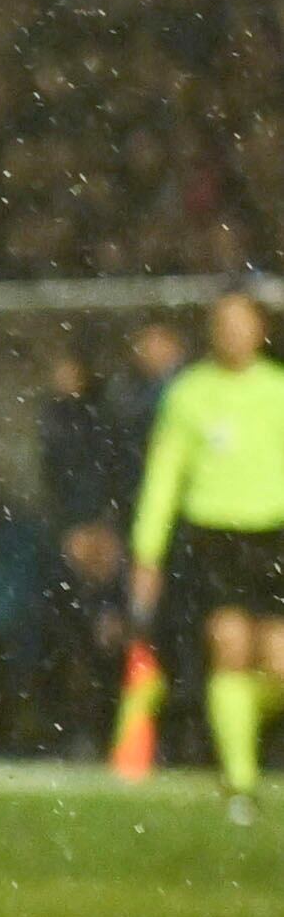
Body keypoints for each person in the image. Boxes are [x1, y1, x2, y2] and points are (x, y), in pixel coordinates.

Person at [128, 286, 284, 821]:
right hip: (215, 537)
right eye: (224, 322)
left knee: (278, 664)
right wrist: (147, 552)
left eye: (243, 322)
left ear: (260, 329)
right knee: (229, 644)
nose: (233, 332)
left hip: (274, 536)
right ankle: (240, 783)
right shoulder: (190, 394)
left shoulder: (278, 390)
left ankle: (232, 719)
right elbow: (163, 477)